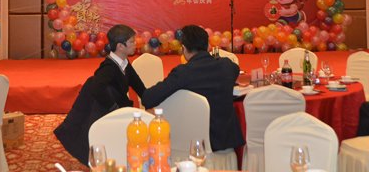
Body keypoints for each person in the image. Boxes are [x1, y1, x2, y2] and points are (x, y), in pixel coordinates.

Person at [141, 25, 244, 153]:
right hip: (226, 144)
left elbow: (148, 98)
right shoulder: (227, 66)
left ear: (184, 49)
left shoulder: (183, 72)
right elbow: (235, 69)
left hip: (194, 146)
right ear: (208, 46)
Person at [53, 24, 146, 165]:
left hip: (117, 107)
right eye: (132, 42)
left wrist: (152, 98)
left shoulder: (124, 63)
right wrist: (114, 108)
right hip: (105, 111)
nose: (136, 44)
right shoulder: (109, 67)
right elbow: (96, 86)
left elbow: (139, 87)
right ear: (120, 46)